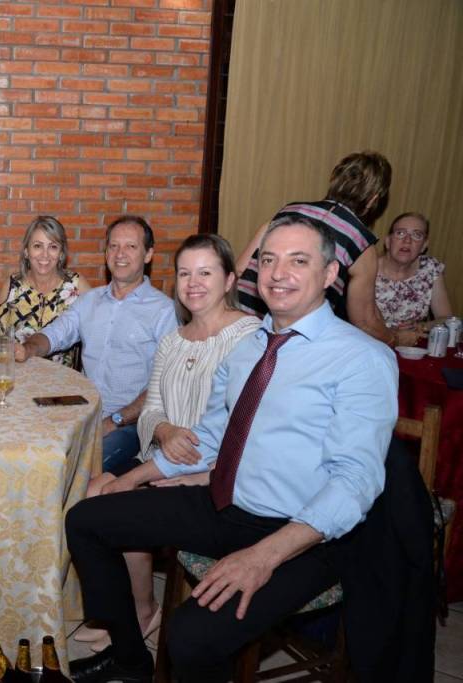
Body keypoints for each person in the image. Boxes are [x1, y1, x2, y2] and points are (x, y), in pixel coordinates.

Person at [64, 216, 397, 682]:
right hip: (226, 505)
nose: (278, 273)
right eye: (269, 260)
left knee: (190, 637)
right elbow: (209, 440)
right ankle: (129, 658)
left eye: (298, 261)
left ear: (329, 275)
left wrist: (263, 556)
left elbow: (356, 481)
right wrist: (132, 479)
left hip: (304, 534)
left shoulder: (361, 358)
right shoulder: (248, 351)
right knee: (86, 519)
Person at [75, 234, 259, 652]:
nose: (193, 283)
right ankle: (130, 608)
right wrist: (164, 432)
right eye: (185, 273)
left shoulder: (248, 337)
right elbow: (152, 407)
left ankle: (139, 613)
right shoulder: (174, 339)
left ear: (229, 280)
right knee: (92, 489)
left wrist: (196, 472)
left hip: (211, 471)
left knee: (114, 500)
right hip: (161, 455)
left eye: (205, 272)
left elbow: (243, 424)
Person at [16, 216, 177, 474]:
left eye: (131, 246)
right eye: (113, 246)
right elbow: (55, 334)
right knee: (24, 440)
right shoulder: (89, 301)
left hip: (130, 423)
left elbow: (164, 385)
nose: (120, 254)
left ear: (148, 254)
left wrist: (115, 420)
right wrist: (29, 348)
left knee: (74, 472)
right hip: (81, 409)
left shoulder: (164, 311)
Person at [235, 150, 421, 347]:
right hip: (286, 342)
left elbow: (239, 269)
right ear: (373, 200)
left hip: (240, 328)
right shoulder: (359, 241)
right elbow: (364, 322)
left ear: (334, 182)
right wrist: (396, 339)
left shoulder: (286, 212)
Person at [0, 215, 92, 368]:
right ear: (26, 252)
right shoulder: (12, 286)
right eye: (37, 246)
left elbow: (99, 331)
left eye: (53, 247)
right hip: (17, 374)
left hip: (62, 379)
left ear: (61, 253)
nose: (45, 255)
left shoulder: (77, 286)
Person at [375, 211, 453, 327]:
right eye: (400, 233)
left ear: (424, 245)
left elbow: (446, 319)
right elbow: (361, 323)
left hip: (415, 337)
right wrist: (396, 335)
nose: (407, 240)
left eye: (417, 235)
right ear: (388, 241)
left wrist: (420, 328)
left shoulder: (430, 268)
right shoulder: (369, 268)